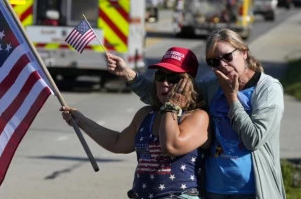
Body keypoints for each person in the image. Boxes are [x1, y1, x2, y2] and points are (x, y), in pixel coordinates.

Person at [105, 28, 286, 199]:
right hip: (214, 189)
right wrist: (127, 74)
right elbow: (168, 94)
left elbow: (253, 140)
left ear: (244, 52)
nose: (222, 65)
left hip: (252, 189)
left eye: (228, 56)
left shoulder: (267, 89)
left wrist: (232, 99)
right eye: (214, 62)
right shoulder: (213, 85)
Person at [61, 47, 210, 199]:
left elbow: (171, 146)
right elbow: (117, 142)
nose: (164, 83)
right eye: (160, 76)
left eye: (173, 78)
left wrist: (171, 106)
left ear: (188, 83)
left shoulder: (197, 117)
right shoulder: (146, 115)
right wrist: (81, 121)